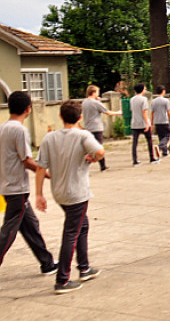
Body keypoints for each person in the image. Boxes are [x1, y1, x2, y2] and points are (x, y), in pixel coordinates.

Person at [35, 100, 105, 294]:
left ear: (60, 116)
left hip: (59, 192)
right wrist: (94, 158)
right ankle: (62, 280)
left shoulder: (49, 138)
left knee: (82, 225)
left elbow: (41, 167)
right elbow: (100, 151)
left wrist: (39, 193)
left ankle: (84, 267)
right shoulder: (83, 135)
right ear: (80, 117)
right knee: (71, 232)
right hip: (77, 193)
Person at [0, 91, 57, 283]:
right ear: (28, 109)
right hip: (17, 188)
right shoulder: (19, 130)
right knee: (8, 231)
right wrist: (47, 174)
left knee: (30, 226)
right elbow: (27, 160)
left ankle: (47, 262)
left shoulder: (2, 128)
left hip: (8, 186)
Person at [81, 85, 120, 171]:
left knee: (88, 146)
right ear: (94, 93)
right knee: (98, 147)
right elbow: (107, 112)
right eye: (97, 92)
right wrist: (118, 112)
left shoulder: (84, 102)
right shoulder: (96, 103)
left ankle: (99, 164)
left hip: (88, 127)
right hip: (96, 127)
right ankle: (101, 165)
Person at [130, 83, 156, 166]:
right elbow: (144, 111)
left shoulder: (132, 99)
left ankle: (135, 160)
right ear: (142, 90)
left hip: (134, 122)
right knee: (149, 140)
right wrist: (147, 123)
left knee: (135, 142)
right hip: (143, 123)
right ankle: (152, 157)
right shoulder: (143, 99)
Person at [150, 85, 170, 157]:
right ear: (163, 91)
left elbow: (152, 113)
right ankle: (160, 146)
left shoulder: (153, 101)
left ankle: (165, 152)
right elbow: (169, 112)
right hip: (164, 121)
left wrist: (152, 123)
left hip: (157, 121)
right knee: (167, 136)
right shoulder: (166, 100)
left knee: (161, 136)